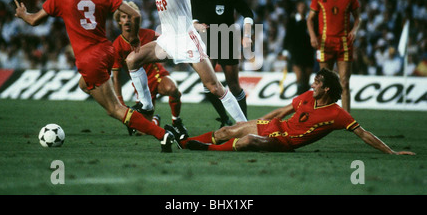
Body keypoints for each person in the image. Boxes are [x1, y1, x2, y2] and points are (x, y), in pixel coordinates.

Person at [14, 0, 176, 152]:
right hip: (106, 51)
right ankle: (142, 118)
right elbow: (135, 13)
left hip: (89, 59)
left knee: (114, 109)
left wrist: (22, 14)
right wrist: (134, 37)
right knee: (84, 84)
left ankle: (162, 134)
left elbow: (33, 21)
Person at [122, 0, 247, 138]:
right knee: (132, 60)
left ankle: (244, 125)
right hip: (168, 40)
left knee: (214, 87)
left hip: (187, 40)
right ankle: (146, 106)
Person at [171, 68, 415, 155]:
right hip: (277, 127)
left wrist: (391, 151)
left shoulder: (338, 114)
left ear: (326, 88)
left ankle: (206, 149)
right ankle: (185, 143)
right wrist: (260, 119)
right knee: (227, 130)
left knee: (246, 140)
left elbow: (363, 134)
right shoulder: (309, 96)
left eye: (317, 83)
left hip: (286, 142)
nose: (312, 85)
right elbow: (283, 110)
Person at [190, 0, 254, 126]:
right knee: (208, 86)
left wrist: (246, 36)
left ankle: (244, 123)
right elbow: (193, 18)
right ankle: (225, 119)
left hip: (226, 38)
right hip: (206, 41)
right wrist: (196, 25)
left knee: (233, 85)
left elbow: (247, 13)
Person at [112, 1, 188, 138]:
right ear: (118, 20)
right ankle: (154, 120)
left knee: (173, 90)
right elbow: (116, 78)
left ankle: (176, 122)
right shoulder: (117, 46)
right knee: (143, 131)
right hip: (141, 85)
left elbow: (168, 42)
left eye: (130, 16)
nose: (127, 20)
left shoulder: (147, 34)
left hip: (156, 75)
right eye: (123, 17)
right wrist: (120, 102)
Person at [307, 0, 361, 112]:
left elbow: (357, 18)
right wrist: (313, 36)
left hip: (344, 42)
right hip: (325, 43)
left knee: (345, 82)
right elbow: (310, 19)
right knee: (323, 83)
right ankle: (321, 114)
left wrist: (354, 30)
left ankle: (347, 118)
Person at [283, 1, 315, 96]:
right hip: (296, 52)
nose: (302, 8)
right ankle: (299, 98)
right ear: (297, 8)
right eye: (301, 6)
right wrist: (285, 51)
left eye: (304, 6)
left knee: (307, 77)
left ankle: (306, 98)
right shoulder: (292, 20)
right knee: (299, 77)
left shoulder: (310, 21)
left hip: (308, 51)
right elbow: (287, 36)